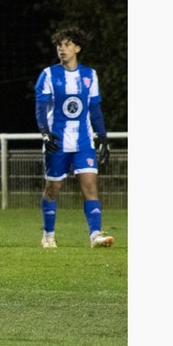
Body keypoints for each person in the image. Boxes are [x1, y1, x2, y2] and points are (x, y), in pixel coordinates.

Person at [34, 26, 113, 249]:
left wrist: (103, 137)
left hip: (83, 141)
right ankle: (48, 235)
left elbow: (94, 109)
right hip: (57, 141)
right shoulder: (49, 75)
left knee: (90, 186)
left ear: (77, 48)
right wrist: (45, 134)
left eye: (67, 45)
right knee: (53, 188)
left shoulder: (89, 75)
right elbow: (41, 108)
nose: (62, 49)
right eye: (59, 45)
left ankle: (95, 235)